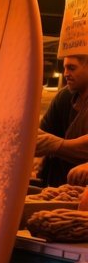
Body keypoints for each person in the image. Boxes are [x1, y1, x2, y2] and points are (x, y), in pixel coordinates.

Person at [36, 53, 88, 186]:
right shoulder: (64, 96)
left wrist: (55, 145)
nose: (65, 73)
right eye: (64, 68)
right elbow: (42, 133)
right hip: (57, 184)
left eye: (71, 68)